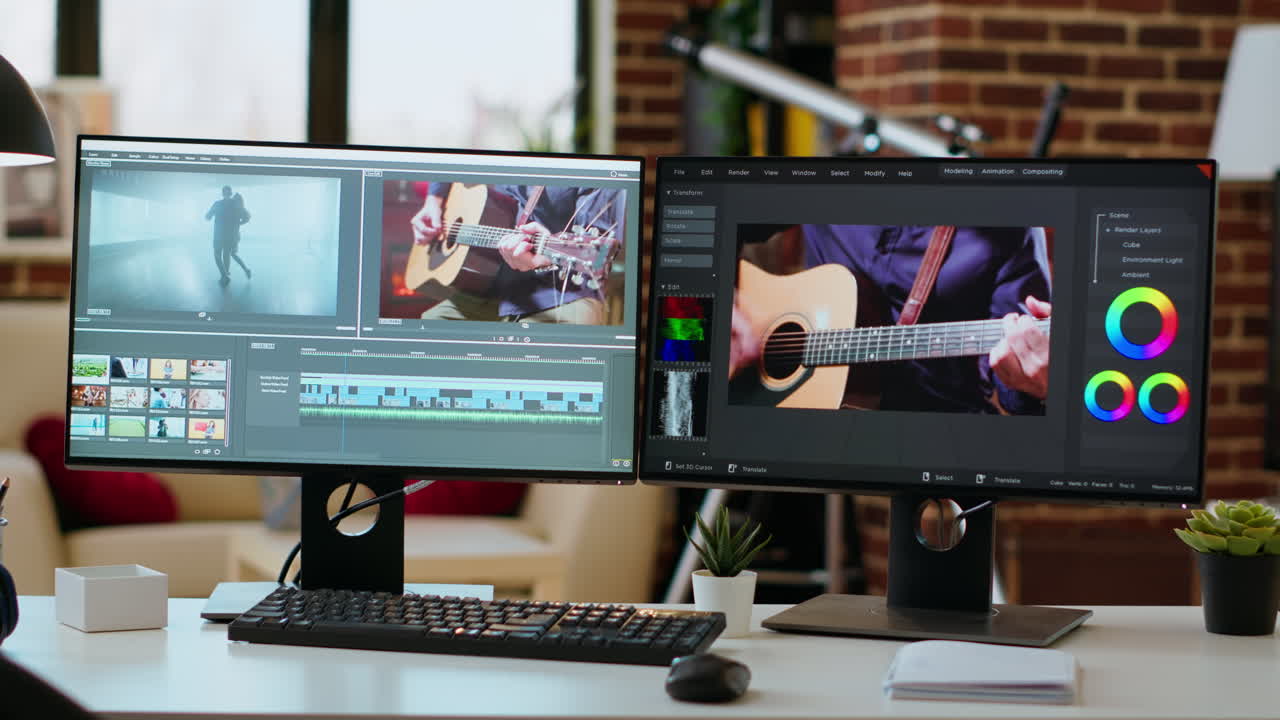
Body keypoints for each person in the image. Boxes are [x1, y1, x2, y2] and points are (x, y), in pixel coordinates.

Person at [728, 225, 1051, 415]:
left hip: (936, 444)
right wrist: (713, 309)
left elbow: (1020, 395)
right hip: (804, 431)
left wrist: (1041, 384)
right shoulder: (831, 182)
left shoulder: (1010, 227)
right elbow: (703, 221)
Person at [409, 183, 623, 324]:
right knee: (430, 326)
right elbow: (451, 162)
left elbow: (597, 247)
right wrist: (433, 201)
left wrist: (544, 258)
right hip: (488, 285)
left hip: (557, 291)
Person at [205, 186, 251, 286]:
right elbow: (247, 217)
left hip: (219, 235)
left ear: (222, 193)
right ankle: (229, 274)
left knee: (217, 255)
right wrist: (239, 224)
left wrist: (209, 216)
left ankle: (224, 275)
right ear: (230, 193)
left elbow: (207, 217)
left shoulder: (217, 204)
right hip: (232, 235)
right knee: (228, 254)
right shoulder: (236, 204)